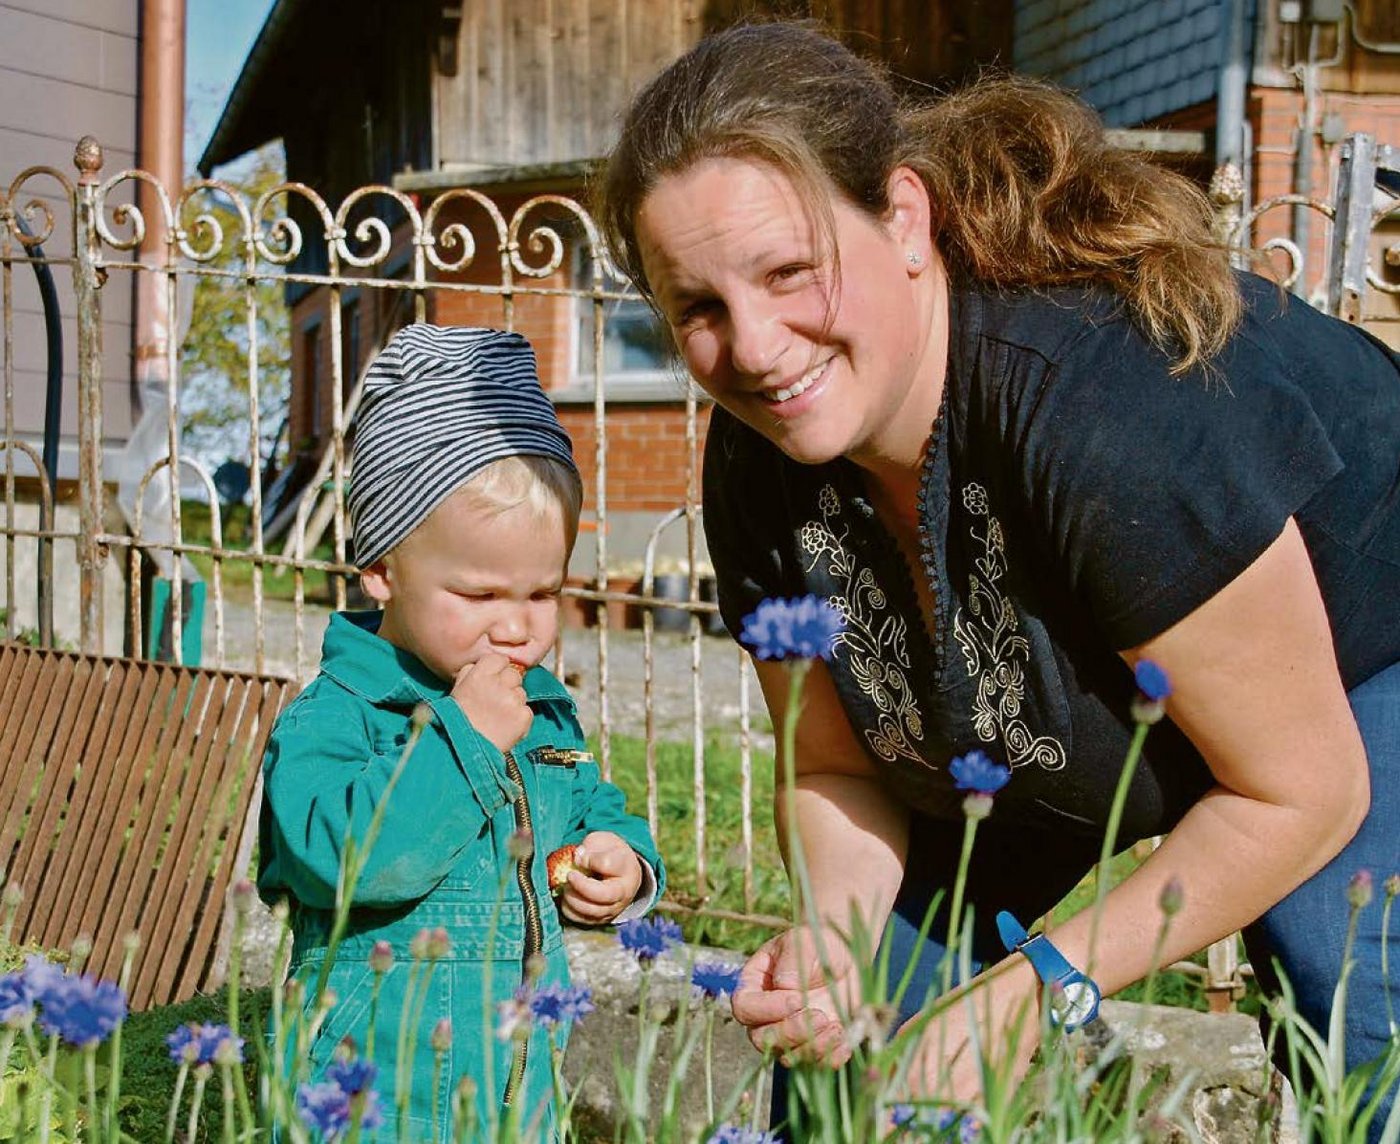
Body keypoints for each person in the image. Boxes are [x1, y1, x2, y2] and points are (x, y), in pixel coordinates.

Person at [597, 19, 1400, 1137]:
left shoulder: (1102, 408)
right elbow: (830, 765)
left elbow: (1299, 789)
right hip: (1061, 711)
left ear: (905, 219)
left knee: (1336, 970)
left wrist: (1035, 996)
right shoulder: (761, 457)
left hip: (1355, 648)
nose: (757, 347)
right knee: (859, 1023)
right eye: (698, 309)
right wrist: (832, 942)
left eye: (788, 271)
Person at [258, 324, 664, 1140]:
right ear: (382, 569)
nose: (517, 626)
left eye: (542, 593)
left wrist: (623, 863)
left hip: (514, 1090)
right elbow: (350, 861)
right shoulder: (337, 716)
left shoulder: (539, 705)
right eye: (480, 596)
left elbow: (591, 804)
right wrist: (464, 739)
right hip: (370, 1097)